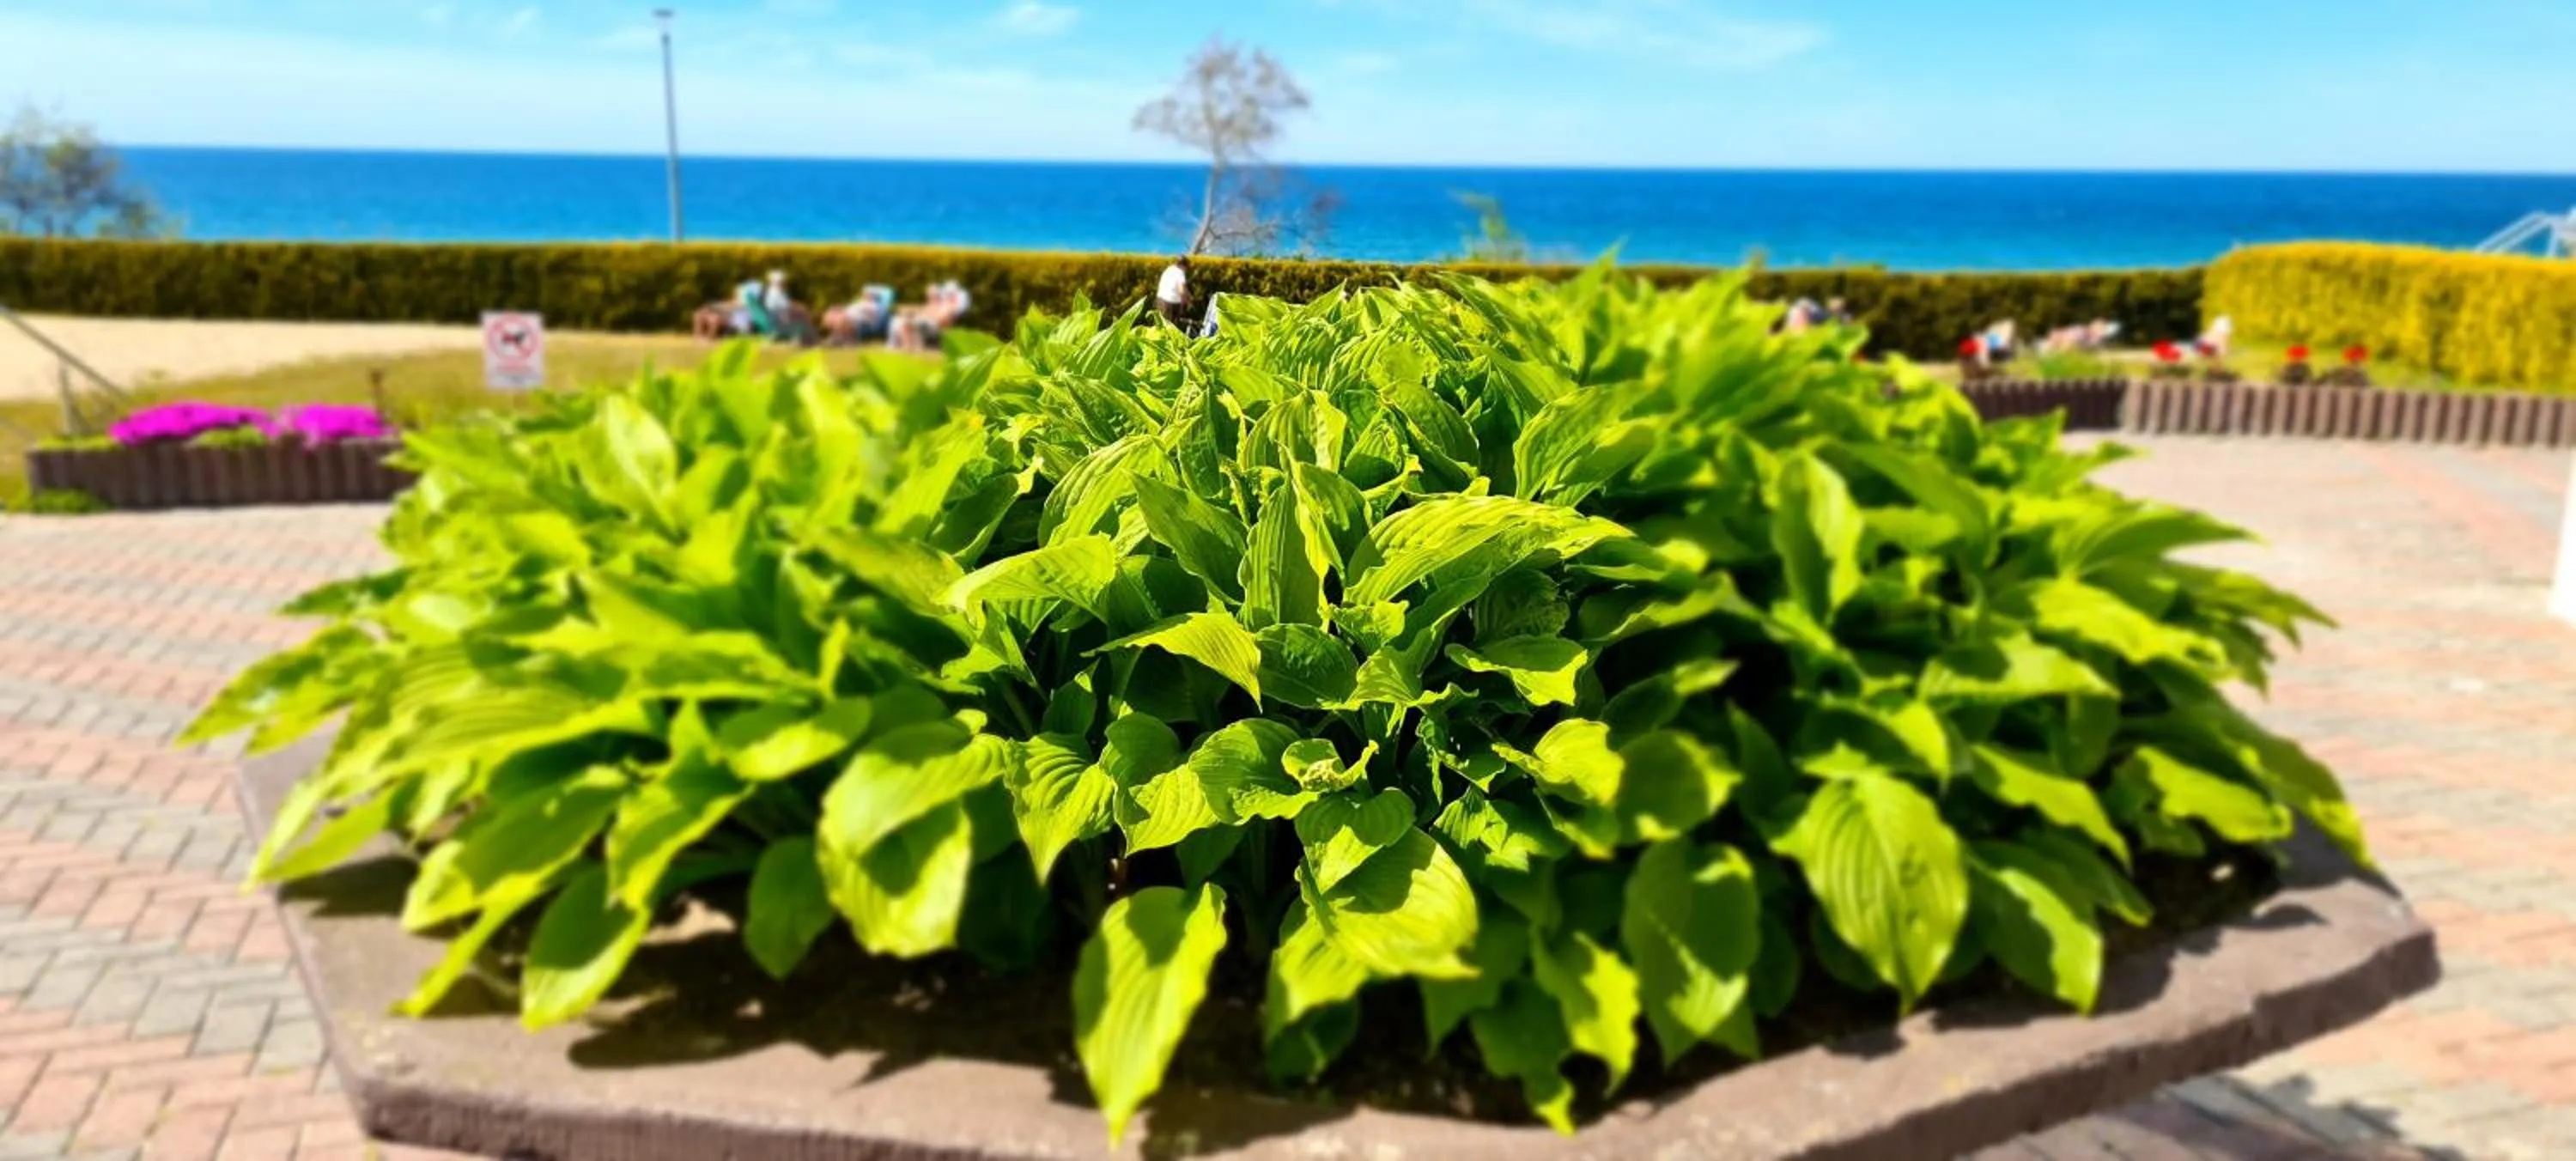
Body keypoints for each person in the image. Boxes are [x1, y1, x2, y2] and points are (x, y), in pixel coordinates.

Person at [1156, 256, 1192, 329]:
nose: (1186, 270)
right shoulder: (1180, 273)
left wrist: (1189, 295)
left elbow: (1179, 286)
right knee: (1171, 329)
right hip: (1170, 304)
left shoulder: (1169, 269)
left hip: (1160, 300)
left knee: (1160, 326)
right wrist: (1183, 305)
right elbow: (1182, 291)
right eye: (1187, 267)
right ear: (1183, 265)